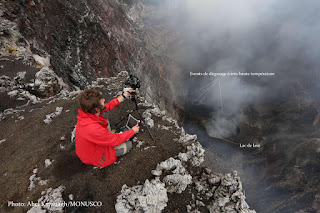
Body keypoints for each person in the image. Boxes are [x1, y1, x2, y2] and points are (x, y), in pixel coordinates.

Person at [75, 88, 140, 168]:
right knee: (129, 145)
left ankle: (108, 137)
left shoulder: (88, 112)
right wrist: (132, 131)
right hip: (95, 157)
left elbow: (108, 106)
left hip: (93, 145)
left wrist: (124, 96)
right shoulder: (93, 129)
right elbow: (115, 140)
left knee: (104, 113)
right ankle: (108, 145)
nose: (104, 99)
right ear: (96, 109)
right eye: (102, 100)